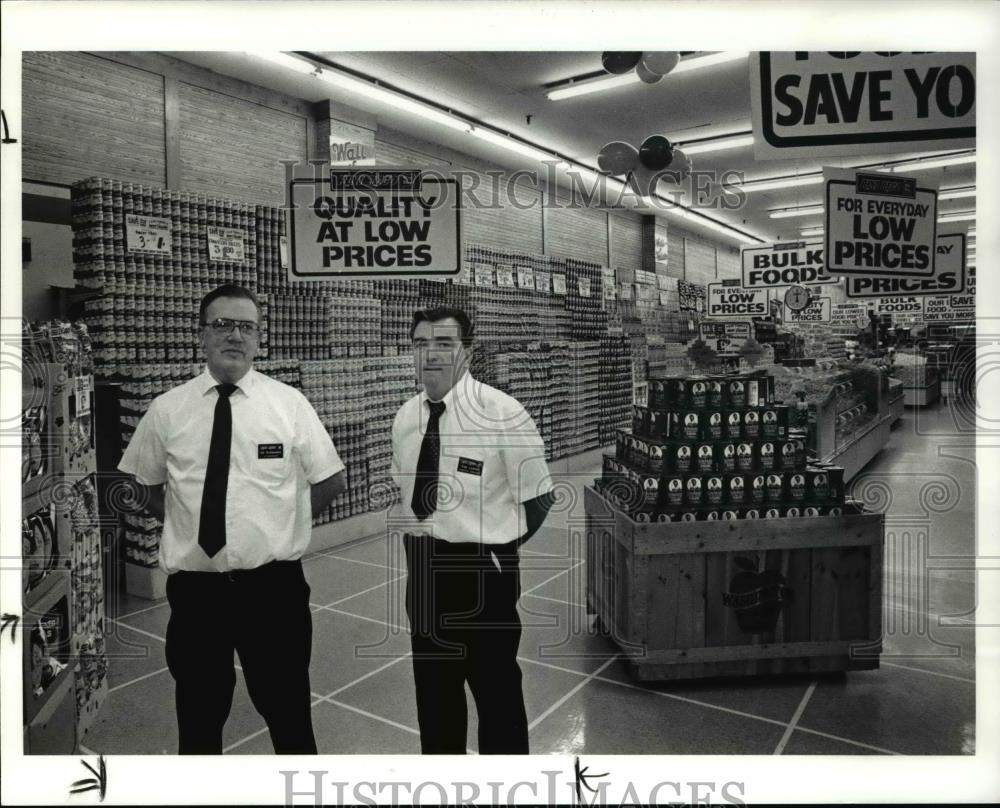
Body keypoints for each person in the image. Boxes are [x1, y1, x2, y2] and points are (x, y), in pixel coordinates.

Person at [118, 283, 345, 754]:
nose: (235, 336)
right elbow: (142, 484)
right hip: (198, 595)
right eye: (222, 324)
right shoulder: (167, 409)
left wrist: (284, 524)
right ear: (200, 335)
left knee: (289, 719)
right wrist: (190, 522)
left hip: (274, 592)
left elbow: (330, 481)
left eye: (247, 327)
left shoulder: (289, 405)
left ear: (260, 338)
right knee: (199, 723)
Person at [390, 306, 554, 754]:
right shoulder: (406, 417)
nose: (431, 354)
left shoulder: (503, 413)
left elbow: (538, 498)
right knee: (435, 698)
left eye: (444, 343)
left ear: (467, 352)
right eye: (420, 344)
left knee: (497, 695)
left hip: (485, 575)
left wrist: (497, 546)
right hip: (423, 571)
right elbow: (406, 493)